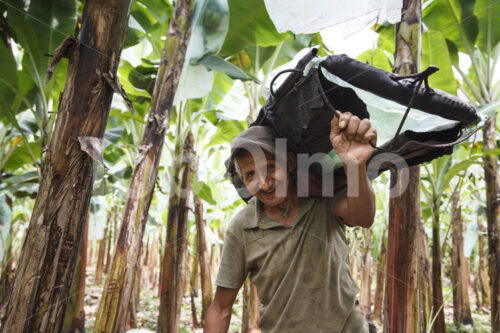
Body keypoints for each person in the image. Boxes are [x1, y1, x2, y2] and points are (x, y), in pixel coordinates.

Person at [204, 111, 377, 333]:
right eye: (250, 175)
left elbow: (363, 217)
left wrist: (354, 166)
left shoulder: (322, 200)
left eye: (271, 167)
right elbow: (220, 308)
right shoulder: (242, 227)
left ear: (291, 162)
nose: (264, 183)